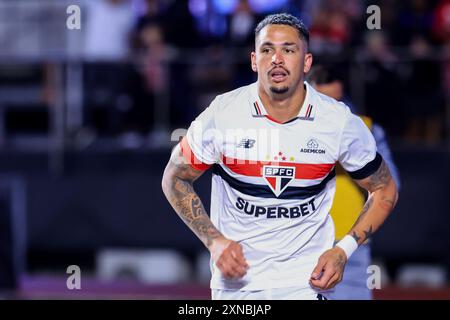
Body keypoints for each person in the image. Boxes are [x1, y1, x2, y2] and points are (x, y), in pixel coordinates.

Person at [161, 13, 398, 300]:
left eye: (288, 49)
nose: (277, 58)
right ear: (253, 60)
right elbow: (174, 178)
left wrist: (343, 250)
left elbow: (384, 188)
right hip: (236, 291)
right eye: (267, 49)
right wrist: (214, 242)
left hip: (306, 287)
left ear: (306, 62)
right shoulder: (222, 114)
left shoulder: (337, 121)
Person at [308, 65, 401, 299]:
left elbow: (391, 186)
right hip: (300, 241)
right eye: (323, 101)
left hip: (349, 243)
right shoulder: (285, 129)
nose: (330, 109)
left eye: (337, 101)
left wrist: (353, 154)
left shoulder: (365, 131)